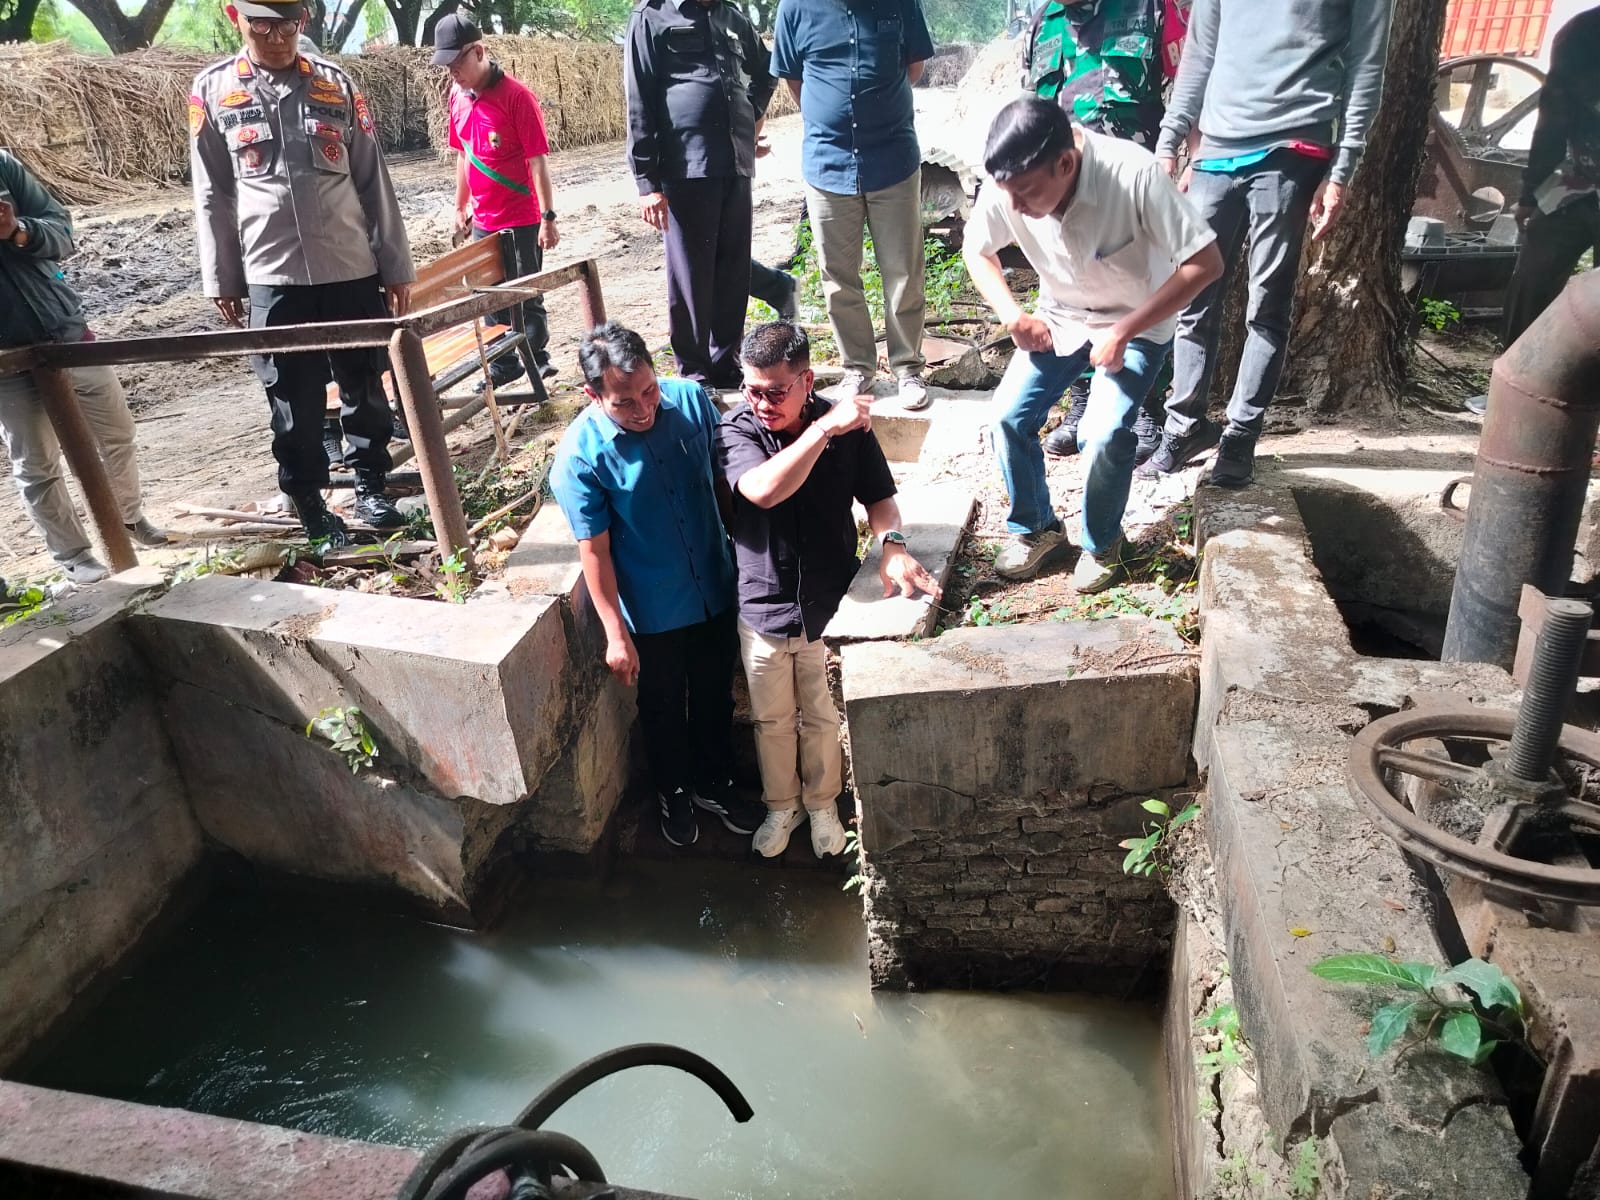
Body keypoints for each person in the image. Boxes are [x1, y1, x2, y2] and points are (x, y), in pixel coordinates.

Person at [963, 99, 1221, 590]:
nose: (1014, 207)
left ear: (1066, 163)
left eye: (1025, 195)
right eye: (1007, 194)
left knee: (1101, 434)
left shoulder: (1134, 174)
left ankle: (1104, 543)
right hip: (1061, 315)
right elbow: (977, 250)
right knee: (1007, 418)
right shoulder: (1014, 178)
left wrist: (1124, 331)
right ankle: (1036, 528)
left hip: (1136, 322)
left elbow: (1205, 263)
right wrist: (1012, 314)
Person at [1140, 0, 1392, 488]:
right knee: (1192, 296)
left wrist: (1342, 171)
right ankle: (1185, 426)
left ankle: (1240, 435)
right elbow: (1200, 54)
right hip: (1215, 148)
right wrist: (1170, 140)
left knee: (1267, 305)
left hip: (1293, 146)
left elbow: (1368, 66)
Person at [190, 0, 415, 546]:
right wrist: (223, 277)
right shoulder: (214, 90)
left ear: (304, 21)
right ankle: (311, 505)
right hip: (274, 275)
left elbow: (373, 179)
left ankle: (371, 488)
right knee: (292, 400)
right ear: (235, 18)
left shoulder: (336, 84)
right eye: (261, 24)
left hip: (349, 267)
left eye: (287, 24)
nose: (275, 36)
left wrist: (395, 264)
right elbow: (213, 193)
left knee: (364, 384)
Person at [718, 320, 941, 858]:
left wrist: (892, 545)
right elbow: (762, 490)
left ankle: (821, 804)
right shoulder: (735, 430)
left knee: (820, 713)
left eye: (776, 391)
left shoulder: (849, 430)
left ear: (806, 380)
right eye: (751, 389)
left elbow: (879, 498)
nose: (762, 403)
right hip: (762, 601)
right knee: (771, 719)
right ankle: (781, 805)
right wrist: (823, 432)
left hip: (828, 598)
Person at [550, 322, 768, 847]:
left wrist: (749, 562)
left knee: (715, 692)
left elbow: (723, 485)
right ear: (593, 395)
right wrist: (615, 635)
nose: (644, 408)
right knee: (663, 702)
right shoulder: (579, 457)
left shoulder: (691, 401)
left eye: (649, 391)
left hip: (714, 584)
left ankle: (714, 783)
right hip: (652, 607)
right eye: (624, 402)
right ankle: (673, 790)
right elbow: (595, 552)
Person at [0, 149, 166, 584]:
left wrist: (19, 231)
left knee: (117, 434)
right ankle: (73, 554)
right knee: (37, 463)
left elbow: (62, 230)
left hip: (66, 333)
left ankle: (127, 518)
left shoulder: (3, 166)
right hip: (5, 362)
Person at [1024, 0, 1172, 461]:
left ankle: (1145, 406)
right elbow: (1030, 109)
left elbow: (1183, 85)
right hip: (1062, 196)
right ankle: (1081, 402)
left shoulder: (1148, 8)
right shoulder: (1044, 21)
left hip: (1130, 191)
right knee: (1071, 296)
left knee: (1140, 292)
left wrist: (1178, 157)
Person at [772, 0, 934, 411]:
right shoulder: (794, 8)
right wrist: (832, 115)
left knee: (903, 272)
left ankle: (908, 369)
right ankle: (858, 368)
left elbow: (913, 67)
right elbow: (795, 80)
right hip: (828, 163)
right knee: (838, 274)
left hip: (893, 159)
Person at [625, 0, 776, 390]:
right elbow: (639, 100)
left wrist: (749, 116)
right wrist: (647, 183)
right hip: (685, 166)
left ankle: (725, 365)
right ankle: (694, 373)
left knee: (733, 271)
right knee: (691, 277)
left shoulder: (733, 16)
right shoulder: (651, 16)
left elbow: (768, 70)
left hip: (736, 162)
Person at [434, 13, 561, 390]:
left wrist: (547, 217)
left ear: (479, 52)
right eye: (447, 65)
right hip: (483, 220)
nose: (453, 72)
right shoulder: (456, 98)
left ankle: (537, 360)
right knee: (490, 297)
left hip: (521, 218)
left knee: (525, 294)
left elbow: (538, 161)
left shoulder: (517, 97)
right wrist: (460, 206)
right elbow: (464, 155)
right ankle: (504, 365)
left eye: (457, 62)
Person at [1501, 4, 1600, 350]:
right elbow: (1552, 122)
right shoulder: (1582, 34)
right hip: (1582, 180)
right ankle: (1517, 364)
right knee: (1534, 272)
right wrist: (1530, 196)